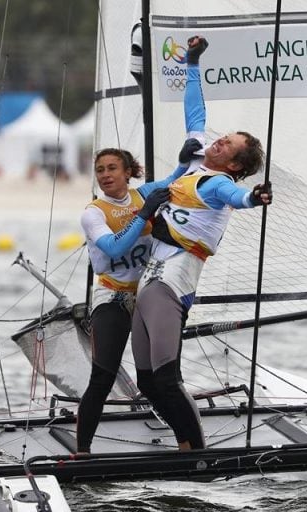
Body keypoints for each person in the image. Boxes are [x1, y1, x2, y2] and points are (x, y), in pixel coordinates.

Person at [130, 36, 273, 451]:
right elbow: (195, 108)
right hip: (149, 279)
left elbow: (237, 200)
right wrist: (192, 62)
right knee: (145, 379)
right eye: (222, 137)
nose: (217, 140)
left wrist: (255, 198)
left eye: (227, 144)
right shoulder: (196, 160)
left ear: (234, 164)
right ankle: (183, 445)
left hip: (171, 282)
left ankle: (196, 452)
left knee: (166, 376)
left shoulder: (219, 184)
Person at [75, 139, 203, 454]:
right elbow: (114, 248)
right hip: (113, 299)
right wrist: (143, 214)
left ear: (128, 172)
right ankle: (82, 452)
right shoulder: (93, 213)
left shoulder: (143, 193)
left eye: (112, 168)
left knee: (158, 379)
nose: (105, 175)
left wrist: (187, 159)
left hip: (149, 296)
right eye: (100, 170)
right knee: (102, 377)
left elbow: (178, 178)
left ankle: (187, 443)